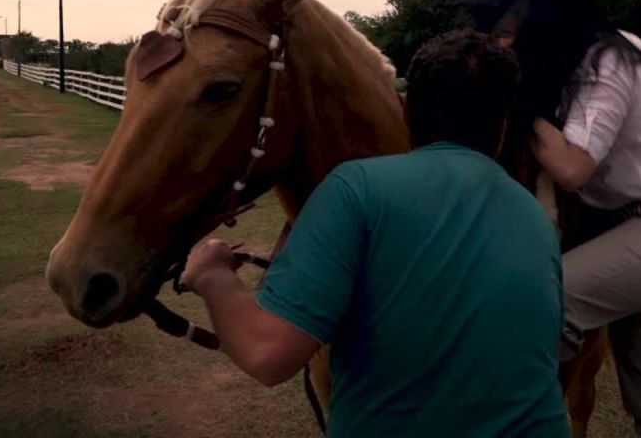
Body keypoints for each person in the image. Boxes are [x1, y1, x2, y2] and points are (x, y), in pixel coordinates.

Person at [180, 29, 570, 438]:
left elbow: (267, 353)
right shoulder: (534, 216)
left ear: (405, 109)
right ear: (504, 124)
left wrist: (213, 275)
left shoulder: (357, 188)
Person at [464, 0, 641, 438]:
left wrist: (517, 102)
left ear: (543, 23)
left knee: (547, 303)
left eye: (507, 33)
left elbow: (572, 167)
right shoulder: (581, 64)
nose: (499, 46)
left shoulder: (606, 62)